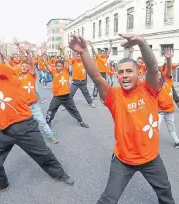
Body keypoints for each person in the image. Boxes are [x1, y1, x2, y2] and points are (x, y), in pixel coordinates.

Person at [69, 34, 175, 204]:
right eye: (121, 72)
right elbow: (96, 77)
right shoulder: (113, 95)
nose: (124, 75)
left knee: (166, 196)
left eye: (129, 71)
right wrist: (83, 52)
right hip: (123, 160)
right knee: (108, 200)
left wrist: (141, 41)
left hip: (151, 159)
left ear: (139, 74)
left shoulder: (149, 89)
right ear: (117, 76)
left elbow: (153, 67)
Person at [0, 49, 74, 199]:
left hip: (24, 126)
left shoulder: (8, 71)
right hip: (4, 129)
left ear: (2, 61)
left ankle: (60, 174)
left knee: (43, 154)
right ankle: (0, 184)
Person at [17, 42, 59, 144]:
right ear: (20, 67)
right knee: (22, 125)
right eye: (22, 66)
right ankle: (26, 140)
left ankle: (50, 135)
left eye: (26, 66)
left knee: (42, 122)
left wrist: (28, 52)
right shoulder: (16, 75)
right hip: (22, 106)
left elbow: (31, 62)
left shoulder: (31, 75)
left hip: (33, 105)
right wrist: (19, 46)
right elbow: (20, 59)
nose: (24, 67)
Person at [40, 43, 89, 128]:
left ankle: (81, 121)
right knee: (51, 110)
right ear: (55, 67)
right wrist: (43, 54)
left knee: (74, 110)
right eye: (57, 66)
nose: (59, 67)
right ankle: (48, 122)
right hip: (57, 97)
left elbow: (66, 59)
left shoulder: (65, 71)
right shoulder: (53, 72)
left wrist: (63, 50)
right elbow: (46, 63)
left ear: (63, 67)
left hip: (67, 96)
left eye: (60, 66)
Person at [158, 48, 179, 149]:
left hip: (170, 111)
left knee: (171, 128)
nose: (157, 75)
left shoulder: (167, 78)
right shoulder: (153, 84)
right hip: (159, 111)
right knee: (155, 127)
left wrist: (169, 59)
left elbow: (170, 67)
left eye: (158, 73)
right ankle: (149, 145)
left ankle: (177, 142)